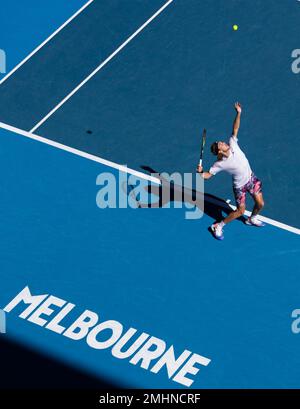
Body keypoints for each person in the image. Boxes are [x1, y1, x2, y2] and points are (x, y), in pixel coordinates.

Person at [197, 102, 265, 240]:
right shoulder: (220, 163)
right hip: (239, 186)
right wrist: (200, 172)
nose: (222, 142)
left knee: (260, 204)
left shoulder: (232, 143)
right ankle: (218, 225)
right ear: (220, 150)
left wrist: (238, 113)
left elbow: (235, 128)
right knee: (240, 211)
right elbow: (207, 176)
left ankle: (252, 218)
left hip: (251, 178)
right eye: (220, 144)